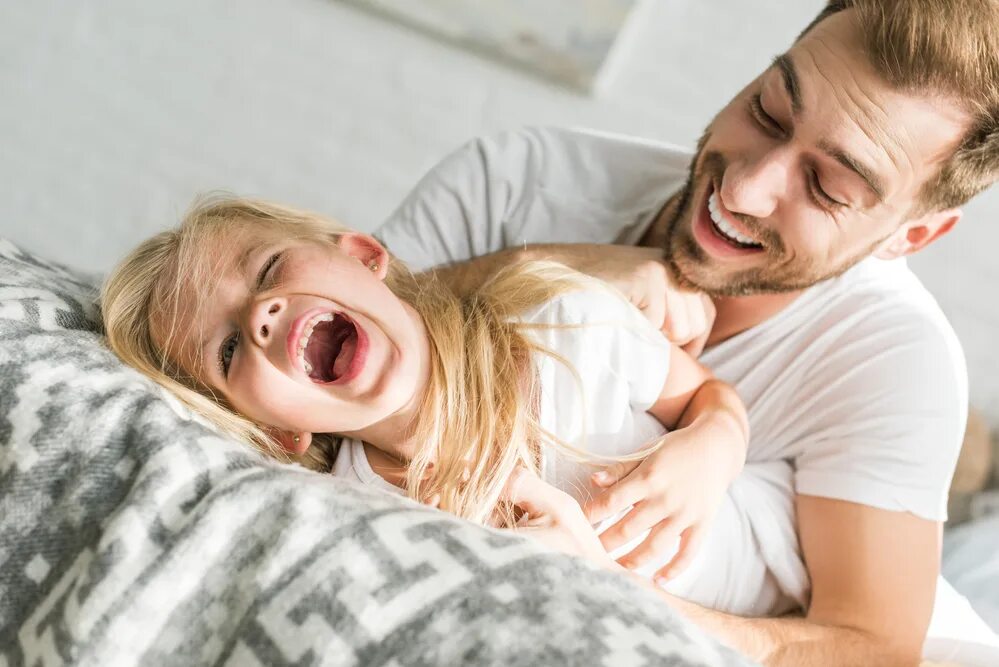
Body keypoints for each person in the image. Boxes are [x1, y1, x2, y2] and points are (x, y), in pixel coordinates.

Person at [372, 0, 999, 664]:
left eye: (826, 187)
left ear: (910, 236)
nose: (745, 189)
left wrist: (595, 583)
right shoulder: (516, 184)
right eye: (766, 111)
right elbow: (311, 324)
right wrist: (537, 271)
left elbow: (870, 646)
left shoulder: (891, 363)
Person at [100, 196, 750, 587]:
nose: (260, 315)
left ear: (361, 255)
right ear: (275, 430)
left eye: (267, 268)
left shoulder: (565, 317)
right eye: (229, 349)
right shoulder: (361, 516)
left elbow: (710, 398)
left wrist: (711, 448)